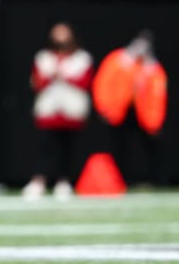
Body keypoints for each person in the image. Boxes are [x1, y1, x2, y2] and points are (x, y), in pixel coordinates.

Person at [22, 22, 93, 201]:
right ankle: (39, 182)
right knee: (45, 148)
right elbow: (37, 82)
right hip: (49, 112)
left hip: (72, 111)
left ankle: (64, 182)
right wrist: (52, 76)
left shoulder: (82, 58)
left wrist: (64, 77)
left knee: (68, 149)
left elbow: (85, 82)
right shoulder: (43, 58)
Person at [93, 30, 167, 184]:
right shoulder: (117, 61)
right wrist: (104, 108)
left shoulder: (152, 68)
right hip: (119, 111)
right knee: (120, 148)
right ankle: (121, 180)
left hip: (143, 115)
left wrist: (155, 121)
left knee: (150, 148)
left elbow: (158, 96)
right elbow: (103, 85)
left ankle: (153, 180)